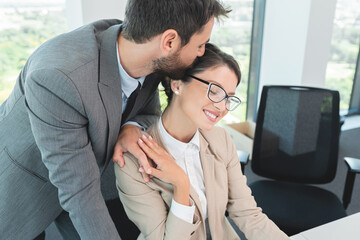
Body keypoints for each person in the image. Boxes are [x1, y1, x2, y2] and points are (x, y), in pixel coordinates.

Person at [0, 1, 229, 239]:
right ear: (169, 42)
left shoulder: (146, 52)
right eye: (200, 45)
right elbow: (79, 193)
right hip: (22, 188)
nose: (202, 52)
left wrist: (131, 127)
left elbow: (149, 110)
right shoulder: (58, 77)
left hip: (88, 180)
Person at [115, 43, 290, 240]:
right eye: (214, 90)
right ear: (177, 84)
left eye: (228, 98)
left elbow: (248, 214)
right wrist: (181, 184)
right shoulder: (132, 160)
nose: (222, 106)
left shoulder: (220, 139)